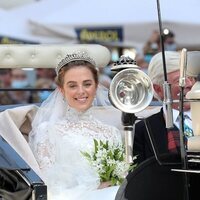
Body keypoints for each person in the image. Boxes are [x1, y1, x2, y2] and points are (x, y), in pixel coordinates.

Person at [28, 45, 123, 200]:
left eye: (87, 84)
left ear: (96, 86)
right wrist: (96, 187)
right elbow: (50, 185)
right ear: (61, 90)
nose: (81, 91)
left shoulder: (111, 132)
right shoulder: (48, 131)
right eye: (72, 85)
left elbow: (120, 176)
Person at [133, 51, 196, 164]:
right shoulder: (143, 131)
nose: (189, 84)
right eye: (180, 81)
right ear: (158, 89)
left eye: (191, 78)